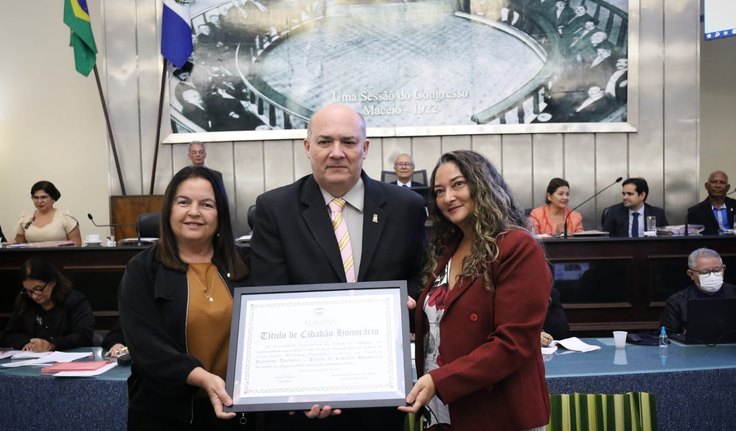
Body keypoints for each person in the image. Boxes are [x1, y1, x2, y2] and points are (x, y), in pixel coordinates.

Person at [250, 104, 427, 431]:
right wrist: (296, 386)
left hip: (381, 396)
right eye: (324, 142)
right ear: (307, 147)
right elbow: (268, 299)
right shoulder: (275, 209)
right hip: (305, 397)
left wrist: (410, 301)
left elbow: (420, 275)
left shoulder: (407, 208)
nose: (336, 153)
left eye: (348, 141)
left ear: (365, 148)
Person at [398, 150, 551, 430]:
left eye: (458, 184)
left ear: (482, 184)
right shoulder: (450, 248)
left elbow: (513, 343)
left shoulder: (517, 247)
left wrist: (440, 380)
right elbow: (444, 322)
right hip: (444, 408)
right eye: (439, 191)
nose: (447, 198)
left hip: (496, 413)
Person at [118, 165, 249, 429]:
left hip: (235, 414)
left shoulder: (247, 265)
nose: (194, 212)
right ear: (169, 210)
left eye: (207, 204)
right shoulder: (143, 269)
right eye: (184, 202)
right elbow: (145, 345)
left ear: (220, 214)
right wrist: (199, 376)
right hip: (164, 415)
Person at [0, 258, 94, 351]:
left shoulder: (75, 301)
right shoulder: (25, 301)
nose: (34, 296)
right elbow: (9, 335)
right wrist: (29, 342)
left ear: (53, 282)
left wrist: (52, 344)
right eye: (29, 291)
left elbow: (83, 336)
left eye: (38, 289)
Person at [659, 248, 736, 334]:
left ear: (723, 269)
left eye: (717, 270)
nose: (712, 275)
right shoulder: (677, 302)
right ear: (691, 274)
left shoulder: (734, 293)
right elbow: (667, 336)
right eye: (704, 272)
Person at [14, 181, 82, 246]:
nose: (39, 201)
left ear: (53, 197)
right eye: (36, 198)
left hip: (60, 257)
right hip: (32, 257)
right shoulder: (25, 217)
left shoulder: (65, 217)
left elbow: (77, 245)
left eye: (43, 197)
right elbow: (18, 245)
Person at [602, 177, 668, 237]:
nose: (624, 197)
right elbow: (606, 238)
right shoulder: (614, 212)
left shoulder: (657, 213)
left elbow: (665, 238)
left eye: (630, 194)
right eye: (624, 194)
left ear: (642, 195)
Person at [686, 170, 736, 235]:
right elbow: (693, 239)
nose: (718, 185)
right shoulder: (695, 211)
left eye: (722, 182)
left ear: (728, 187)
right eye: (714, 182)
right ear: (707, 186)